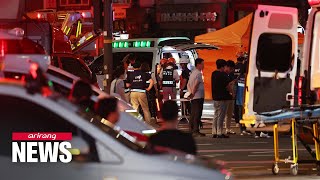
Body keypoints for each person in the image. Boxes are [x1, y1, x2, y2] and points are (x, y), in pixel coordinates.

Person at [127, 61, 155, 126]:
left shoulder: (130, 74)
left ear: (133, 67)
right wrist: (148, 89)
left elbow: (127, 84)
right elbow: (152, 81)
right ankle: (148, 124)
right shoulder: (144, 73)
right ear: (140, 67)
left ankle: (135, 123)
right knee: (145, 109)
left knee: (135, 108)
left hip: (133, 92)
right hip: (142, 92)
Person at [211, 59, 230, 138]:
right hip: (222, 98)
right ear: (223, 66)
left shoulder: (214, 74)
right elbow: (228, 86)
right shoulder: (223, 75)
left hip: (215, 97)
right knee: (221, 116)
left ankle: (214, 131)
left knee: (216, 114)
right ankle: (219, 132)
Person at [187, 58, 205, 137]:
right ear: (198, 64)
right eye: (202, 64)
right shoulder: (198, 73)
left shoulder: (192, 73)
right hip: (198, 96)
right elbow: (197, 84)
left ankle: (191, 129)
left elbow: (188, 84)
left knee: (193, 113)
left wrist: (190, 93)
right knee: (197, 113)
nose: (203, 65)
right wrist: (193, 93)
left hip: (194, 96)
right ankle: (195, 130)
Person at [234, 56, 251, 136]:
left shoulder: (240, 77)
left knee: (241, 114)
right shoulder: (246, 77)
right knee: (243, 114)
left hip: (239, 99)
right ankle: (243, 129)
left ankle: (243, 129)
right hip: (244, 100)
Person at [224, 60, 236, 135]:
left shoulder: (230, 74)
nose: (231, 71)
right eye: (231, 69)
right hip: (225, 96)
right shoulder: (223, 74)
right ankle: (220, 129)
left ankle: (227, 128)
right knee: (223, 114)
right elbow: (227, 85)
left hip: (230, 96)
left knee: (229, 114)